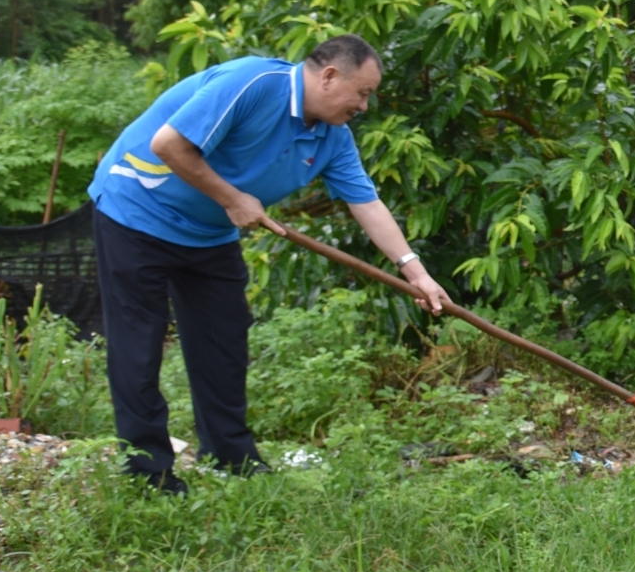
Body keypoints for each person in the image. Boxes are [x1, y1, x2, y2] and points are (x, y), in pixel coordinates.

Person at [89, 35, 450, 491]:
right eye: (362, 92)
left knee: (224, 341)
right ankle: (149, 474)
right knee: (138, 343)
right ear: (329, 75)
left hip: (207, 233)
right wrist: (233, 198)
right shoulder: (254, 82)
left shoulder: (333, 137)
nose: (365, 105)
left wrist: (417, 274)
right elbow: (168, 145)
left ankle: (230, 457)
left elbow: (368, 203)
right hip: (136, 212)